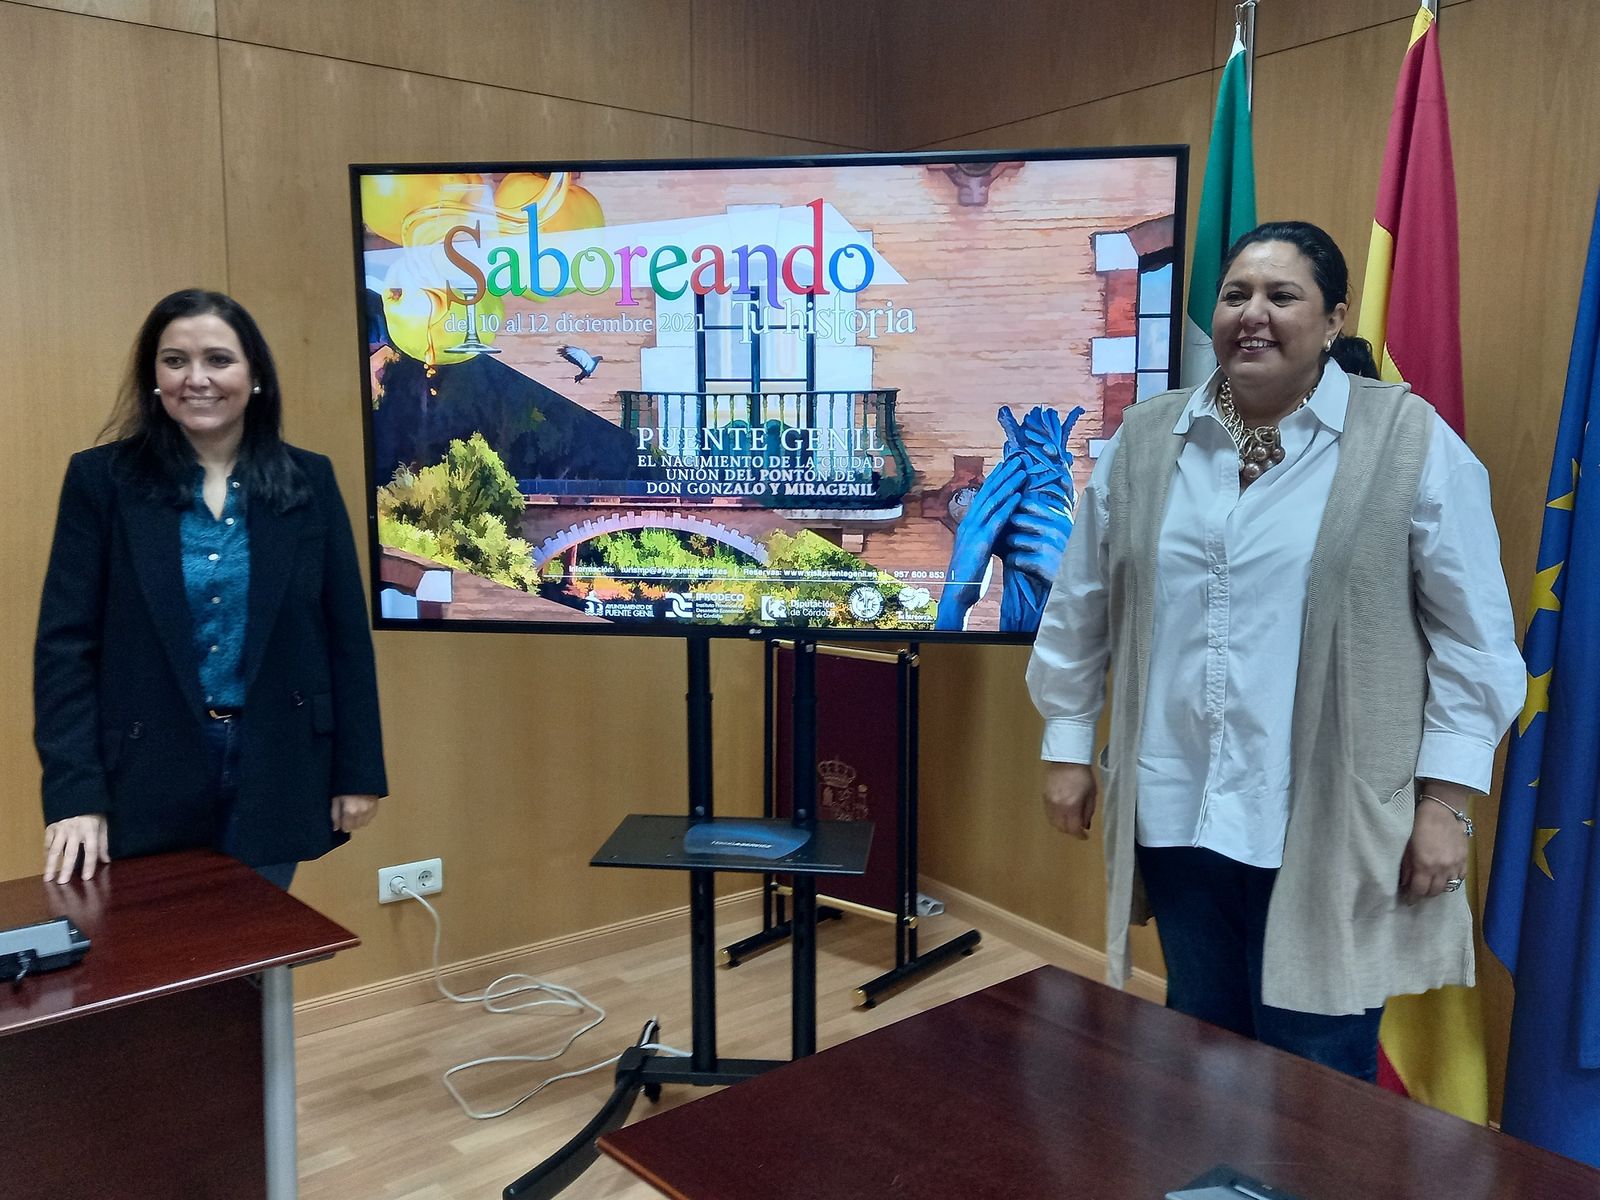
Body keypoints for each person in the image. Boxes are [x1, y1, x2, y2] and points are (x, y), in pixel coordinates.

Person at [1025, 221, 1524, 1082]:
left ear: (1333, 319)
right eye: (1235, 295)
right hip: (1180, 811)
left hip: (1331, 818)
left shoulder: (1408, 440)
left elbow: (1474, 638)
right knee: (1199, 1043)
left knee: (1317, 1063)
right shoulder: (1147, 441)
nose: (1252, 314)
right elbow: (1081, 605)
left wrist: (1447, 803)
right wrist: (1068, 744)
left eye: (1282, 296)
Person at [35, 289, 387, 889]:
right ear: (154, 377)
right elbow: (64, 651)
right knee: (161, 960)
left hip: (278, 757)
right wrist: (75, 793)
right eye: (175, 361)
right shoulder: (101, 482)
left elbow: (344, 635)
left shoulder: (309, 481)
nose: (196, 379)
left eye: (218, 360)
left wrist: (358, 770)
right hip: (145, 766)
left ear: (254, 377)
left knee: (259, 956)